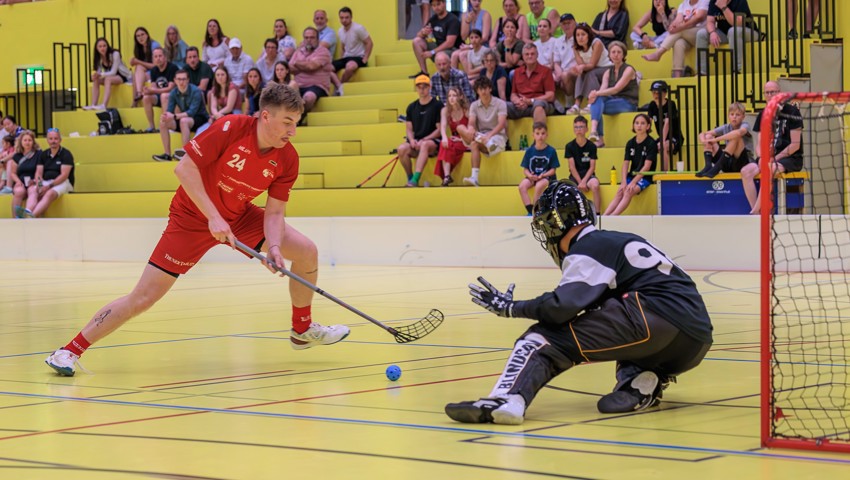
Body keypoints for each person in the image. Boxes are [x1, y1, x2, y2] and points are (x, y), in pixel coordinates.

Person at [45, 83, 351, 377]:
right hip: (191, 218)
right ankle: (68, 351)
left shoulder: (288, 158)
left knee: (307, 252)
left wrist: (272, 247)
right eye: (287, 122)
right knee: (144, 297)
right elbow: (184, 169)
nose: (292, 131)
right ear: (266, 116)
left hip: (240, 215)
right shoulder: (231, 128)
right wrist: (213, 217)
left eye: (296, 123)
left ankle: (301, 329)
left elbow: (274, 212)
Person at [445, 180, 713, 424]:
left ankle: (506, 399)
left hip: (652, 318)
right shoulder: (618, 240)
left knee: (543, 337)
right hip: (695, 340)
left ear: (555, 223)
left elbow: (561, 308)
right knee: (622, 337)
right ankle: (640, 380)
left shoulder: (588, 246)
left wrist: (511, 307)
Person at [742, 81, 803, 214]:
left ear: (780, 93)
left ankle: (755, 211)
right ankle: (758, 214)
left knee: (769, 168)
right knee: (746, 171)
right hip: (768, 157)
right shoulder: (763, 114)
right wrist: (761, 157)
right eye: (767, 92)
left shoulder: (792, 112)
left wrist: (775, 158)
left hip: (790, 158)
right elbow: (759, 143)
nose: (770, 95)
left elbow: (795, 145)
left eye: (773, 92)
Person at [586, 41, 639, 149]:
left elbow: (616, 89)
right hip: (613, 101)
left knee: (597, 105)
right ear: (609, 55)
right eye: (613, 52)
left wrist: (595, 93)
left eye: (619, 52)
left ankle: (596, 134)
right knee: (598, 101)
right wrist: (595, 96)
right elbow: (602, 91)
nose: (616, 54)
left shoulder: (628, 69)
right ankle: (595, 134)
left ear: (623, 54)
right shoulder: (607, 72)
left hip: (628, 102)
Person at [458, 76, 508, 186]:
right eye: (480, 89)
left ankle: (488, 143)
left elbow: (501, 124)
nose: (483, 91)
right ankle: (474, 178)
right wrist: (471, 127)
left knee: (475, 143)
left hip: (497, 137)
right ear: (477, 91)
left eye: (485, 88)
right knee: (461, 128)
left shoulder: (500, 103)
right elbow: (471, 122)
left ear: (490, 88)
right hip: (481, 136)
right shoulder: (474, 105)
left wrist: (489, 136)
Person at [604, 113, 658, 215]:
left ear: (648, 126)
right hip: (632, 175)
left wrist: (633, 182)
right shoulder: (630, 143)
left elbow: (647, 167)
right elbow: (625, 164)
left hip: (645, 177)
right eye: (637, 123)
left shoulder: (651, 143)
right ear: (633, 125)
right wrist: (624, 181)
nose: (639, 126)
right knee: (620, 191)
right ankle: (604, 217)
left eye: (642, 123)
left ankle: (613, 217)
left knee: (629, 191)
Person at [152, 69, 209, 162]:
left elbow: (192, 112)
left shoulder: (196, 91)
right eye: (179, 79)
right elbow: (169, 111)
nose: (181, 82)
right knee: (163, 123)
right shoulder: (174, 93)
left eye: (183, 79)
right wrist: (165, 116)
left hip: (200, 119)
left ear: (187, 80)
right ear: (175, 80)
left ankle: (186, 154)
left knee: (184, 121)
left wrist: (174, 116)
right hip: (186, 118)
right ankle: (167, 155)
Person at [641, 0, 709, 78]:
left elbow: (699, 17)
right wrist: (672, 26)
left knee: (680, 31)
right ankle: (677, 76)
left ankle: (658, 53)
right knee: (678, 42)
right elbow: (677, 20)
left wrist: (680, 27)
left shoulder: (704, 1)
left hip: (701, 33)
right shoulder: (683, 4)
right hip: (688, 36)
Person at [399, 75, 442, 187]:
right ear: (416, 88)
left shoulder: (437, 105)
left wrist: (424, 139)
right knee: (402, 148)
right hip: (417, 142)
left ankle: (415, 179)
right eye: (419, 87)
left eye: (425, 86)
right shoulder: (411, 107)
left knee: (425, 145)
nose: (422, 89)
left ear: (429, 87)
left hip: (433, 142)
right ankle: (410, 178)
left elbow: (439, 130)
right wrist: (412, 140)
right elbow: (409, 128)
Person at [696, 0, 758, 75]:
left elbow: (737, 23)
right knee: (701, 34)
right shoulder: (714, 1)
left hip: (748, 32)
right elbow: (710, 21)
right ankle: (702, 72)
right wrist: (712, 32)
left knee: (733, 31)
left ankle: (737, 70)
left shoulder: (740, 1)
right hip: (727, 34)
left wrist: (724, 7)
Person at [695, 101, 752, 178]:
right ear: (728, 116)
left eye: (737, 115)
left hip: (742, 163)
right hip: (727, 162)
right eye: (732, 114)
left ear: (743, 117)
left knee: (736, 137)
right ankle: (708, 165)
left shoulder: (745, 125)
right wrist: (704, 141)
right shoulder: (726, 127)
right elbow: (703, 134)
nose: (734, 117)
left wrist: (716, 140)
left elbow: (738, 133)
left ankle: (717, 167)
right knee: (708, 136)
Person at [566, 23, 612, 114]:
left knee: (590, 73)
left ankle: (592, 103)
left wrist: (582, 67)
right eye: (577, 35)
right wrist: (579, 69)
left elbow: (592, 65)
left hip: (607, 68)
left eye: (583, 34)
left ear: (589, 35)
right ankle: (576, 105)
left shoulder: (596, 43)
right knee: (582, 73)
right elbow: (581, 66)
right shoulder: (575, 47)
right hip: (592, 70)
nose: (580, 37)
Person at [29, 128, 74, 218]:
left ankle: (30, 217)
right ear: (47, 140)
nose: (53, 141)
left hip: (62, 182)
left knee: (49, 193)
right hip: (46, 182)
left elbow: (64, 175)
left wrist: (48, 186)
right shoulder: (43, 154)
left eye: (56, 138)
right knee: (33, 190)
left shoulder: (66, 154)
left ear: (60, 140)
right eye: (51, 139)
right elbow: (38, 173)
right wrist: (40, 185)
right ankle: (28, 211)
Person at [507, 43, 556, 125]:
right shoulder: (517, 72)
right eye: (527, 54)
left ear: (537, 55)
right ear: (523, 56)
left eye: (532, 54)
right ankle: (501, 137)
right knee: (501, 106)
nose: (529, 56)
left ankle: (539, 136)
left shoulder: (546, 71)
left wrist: (531, 101)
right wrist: (518, 101)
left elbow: (550, 96)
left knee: (538, 104)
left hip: (540, 104)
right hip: (522, 106)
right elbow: (513, 94)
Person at [411, 0, 462, 78]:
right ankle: (424, 73)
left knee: (439, 54)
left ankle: (444, 77)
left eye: (438, 4)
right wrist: (423, 32)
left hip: (452, 50)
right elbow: (418, 35)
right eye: (433, 5)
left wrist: (432, 52)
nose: (436, 7)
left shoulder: (452, 19)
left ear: (444, 3)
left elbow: (450, 43)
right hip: (438, 47)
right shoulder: (433, 19)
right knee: (416, 41)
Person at [518, 122, 559, 215]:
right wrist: (529, 176)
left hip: (546, 177)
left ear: (547, 135)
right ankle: (530, 210)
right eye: (537, 133)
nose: (540, 136)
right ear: (533, 135)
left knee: (539, 186)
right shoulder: (529, 151)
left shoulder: (551, 151)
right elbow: (525, 169)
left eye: (543, 133)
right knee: (522, 186)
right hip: (533, 176)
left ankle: (536, 210)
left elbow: (553, 170)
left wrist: (543, 175)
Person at [289, 27, 333, 114]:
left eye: (312, 37)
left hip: (317, 86)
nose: (309, 40)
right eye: (306, 38)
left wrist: (297, 63)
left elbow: (311, 66)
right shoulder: (298, 51)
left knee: (309, 97)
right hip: (299, 86)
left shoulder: (323, 52)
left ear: (318, 39)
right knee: (286, 90)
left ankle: (299, 118)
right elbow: (290, 68)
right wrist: (305, 65)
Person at [565, 115, 601, 212]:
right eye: (576, 127)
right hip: (575, 176)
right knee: (568, 189)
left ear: (587, 129)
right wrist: (580, 182)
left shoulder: (592, 146)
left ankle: (597, 213)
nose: (579, 129)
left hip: (588, 175)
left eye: (581, 127)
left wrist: (584, 181)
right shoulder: (569, 146)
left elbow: (592, 167)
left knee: (595, 185)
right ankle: (574, 215)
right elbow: (572, 167)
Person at [435, 87, 470, 186]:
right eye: (449, 96)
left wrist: (461, 138)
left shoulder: (466, 110)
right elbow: (443, 126)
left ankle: (446, 176)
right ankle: (447, 176)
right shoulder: (445, 110)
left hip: (465, 139)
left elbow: (472, 129)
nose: (451, 98)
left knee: (449, 146)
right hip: (455, 138)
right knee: (444, 143)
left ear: (461, 97)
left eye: (454, 95)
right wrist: (444, 137)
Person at [646, 80, 683, 172]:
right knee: (647, 147)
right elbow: (648, 122)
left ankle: (664, 174)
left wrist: (662, 141)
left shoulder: (671, 104)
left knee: (663, 147)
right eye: (654, 92)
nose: (656, 95)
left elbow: (667, 123)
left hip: (674, 137)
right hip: (661, 137)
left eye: (658, 92)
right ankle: (646, 173)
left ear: (665, 93)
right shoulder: (652, 105)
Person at [85, 37, 131, 110]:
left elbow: (113, 72)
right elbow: (99, 72)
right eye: (100, 46)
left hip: (122, 76)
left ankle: (104, 105)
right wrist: (95, 75)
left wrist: (101, 75)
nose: (102, 48)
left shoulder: (115, 54)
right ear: (97, 48)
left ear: (107, 46)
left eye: (104, 46)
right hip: (111, 77)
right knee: (96, 79)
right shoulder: (99, 58)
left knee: (108, 79)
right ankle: (93, 104)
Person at [335, 7, 373, 87]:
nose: (344, 20)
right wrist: (341, 57)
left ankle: (339, 87)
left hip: (358, 57)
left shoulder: (358, 28)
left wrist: (365, 59)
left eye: (346, 17)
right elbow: (342, 46)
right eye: (342, 18)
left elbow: (369, 43)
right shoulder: (340, 30)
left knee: (350, 67)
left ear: (351, 17)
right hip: (346, 57)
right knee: (328, 67)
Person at [142, 47, 179, 132]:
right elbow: (154, 87)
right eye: (155, 57)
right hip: (160, 96)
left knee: (164, 95)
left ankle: (166, 124)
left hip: (173, 97)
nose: (158, 59)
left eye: (160, 56)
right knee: (146, 98)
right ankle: (151, 126)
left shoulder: (172, 68)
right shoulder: (154, 70)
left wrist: (152, 91)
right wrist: (147, 91)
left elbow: (170, 88)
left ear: (165, 57)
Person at [451, 0, 493, 70]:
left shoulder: (485, 15)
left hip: (482, 46)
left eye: (479, 1)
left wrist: (470, 46)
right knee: (454, 55)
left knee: (462, 54)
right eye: (474, 0)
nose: (477, 3)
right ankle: (454, 79)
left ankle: (469, 76)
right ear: (469, 1)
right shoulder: (465, 15)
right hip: (471, 47)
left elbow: (485, 37)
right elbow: (464, 37)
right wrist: (467, 22)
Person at [8, 130, 41, 219]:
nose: (27, 142)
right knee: (19, 191)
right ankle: (15, 218)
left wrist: (35, 181)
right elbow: (13, 173)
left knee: (33, 191)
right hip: (21, 181)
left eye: (29, 140)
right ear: (21, 142)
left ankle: (27, 214)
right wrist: (18, 181)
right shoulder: (17, 156)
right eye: (25, 140)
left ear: (33, 142)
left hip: (33, 181)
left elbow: (40, 171)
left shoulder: (39, 154)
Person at [129, 27, 160, 107]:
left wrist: (138, 62)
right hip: (147, 71)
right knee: (136, 71)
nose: (140, 37)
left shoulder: (154, 45)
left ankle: (136, 98)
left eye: (142, 34)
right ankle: (137, 96)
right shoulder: (139, 48)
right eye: (138, 36)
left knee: (138, 70)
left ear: (147, 35)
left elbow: (156, 65)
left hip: (157, 71)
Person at [554, 14, 578, 104]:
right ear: (560, 26)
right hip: (564, 72)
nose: (566, 25)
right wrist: (559, 72)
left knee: (564, 76)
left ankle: (569, 104)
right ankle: (555, 105)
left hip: (577, 71)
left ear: (575, 23)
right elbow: (556, 62)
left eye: (569, 23)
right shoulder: (558, 41)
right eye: (564, 23)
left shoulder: (579, 37)